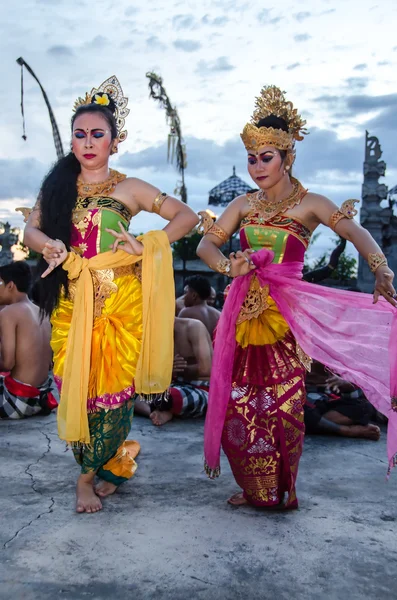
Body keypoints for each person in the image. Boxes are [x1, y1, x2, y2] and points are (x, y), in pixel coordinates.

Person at [197, 85, 397, 509]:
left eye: (266, 158)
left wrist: (381, 267)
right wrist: (227, 267)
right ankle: (255, 486)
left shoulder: (310, 204)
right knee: (240, 401)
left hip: (287, 316)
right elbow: (206, 247)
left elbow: (355, 233)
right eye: (252, 158)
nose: (256, 167)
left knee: (284, 403)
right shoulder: (243, 205)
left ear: (287, 158)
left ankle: (282, 487)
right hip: (242, 314)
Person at [22, 76, 198, 514]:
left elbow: (186, 217)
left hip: (121, 302)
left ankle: (87, 478)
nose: (87, 142)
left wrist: (148, 243)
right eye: (80, 134)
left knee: (114, 394)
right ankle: (110, 463)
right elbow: (31, 228)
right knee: (76, 391)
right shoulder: (60, 187)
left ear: (114, 142)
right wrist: (48, 244)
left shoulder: (130, 187)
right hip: (72, 301)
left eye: (97, 134)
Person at [0, 261, 58, 419]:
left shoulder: (8, 313)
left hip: (17, 402)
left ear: (10, 285)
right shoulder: (42, 312)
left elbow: (7, 364)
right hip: (40, 399)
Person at [135, 316, 212, 425]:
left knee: (169, 397)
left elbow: (207, 369)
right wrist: (166, 370)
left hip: (201, 388)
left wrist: (182, 369)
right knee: (135, 395)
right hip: (172, 385)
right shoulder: (154, 333)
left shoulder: (194, 327)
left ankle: (164, 408)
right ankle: (154, 412)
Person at [304, 361, 381, 440]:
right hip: (306, 404)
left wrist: (347, 386)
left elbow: (356, 396)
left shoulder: (336, 364)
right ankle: (343, 429)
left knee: (365, 406)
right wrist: (348, 430)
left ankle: (319, 424)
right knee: (300, 411)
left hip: (325, 406)